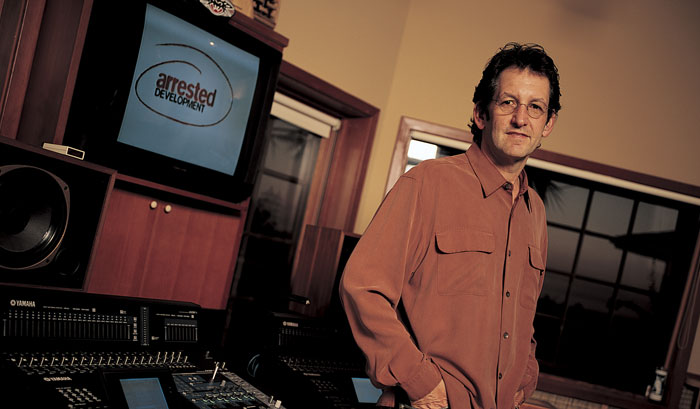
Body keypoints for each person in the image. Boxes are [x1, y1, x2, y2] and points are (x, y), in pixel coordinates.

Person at [339, 42, 561, 409]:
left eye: (535, 107)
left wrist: (525, 378)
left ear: (548, 123)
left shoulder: (534, 210)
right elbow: (362, 288)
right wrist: (421, 384)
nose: (521, 118)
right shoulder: (428, 183)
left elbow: (525, 317)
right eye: (508, 102)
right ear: (481, 113)